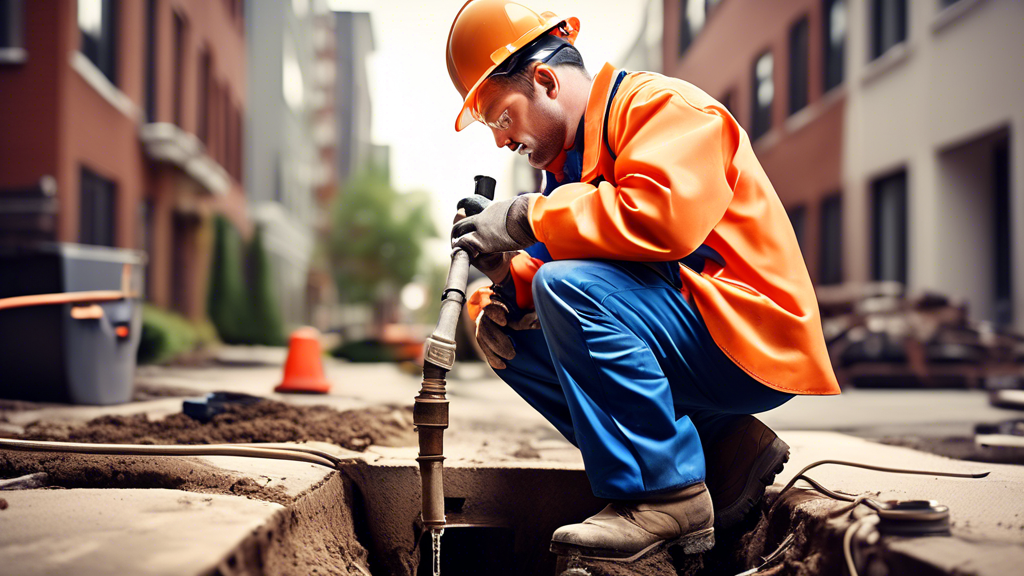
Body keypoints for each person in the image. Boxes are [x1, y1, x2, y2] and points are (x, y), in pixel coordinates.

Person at [447, 0, 841, 563]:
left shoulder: (662, 107)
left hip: (751, 333)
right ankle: (722, 447)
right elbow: (606, 275)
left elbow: (660, 220)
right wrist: (504, 284)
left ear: (545, 80)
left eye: (501, 117)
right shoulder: (573, 165)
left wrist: (522, 217)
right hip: (694, 329)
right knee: (517, 340)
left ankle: (663, 496)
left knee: (566, 288)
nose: (500, 142)